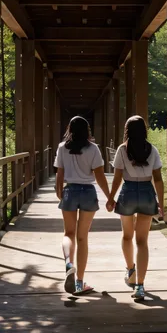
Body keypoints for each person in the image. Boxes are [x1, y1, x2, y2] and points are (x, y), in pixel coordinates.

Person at [106, 115, 165, 301]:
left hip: (128, 192)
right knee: (142, 241)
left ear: (127, 131)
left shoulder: (122, 150)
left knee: (127, 236)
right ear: (144, 130)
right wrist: (161, 203)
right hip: (147, 193)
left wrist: (110, 197)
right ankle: (140, 285)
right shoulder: (152, 150)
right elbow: (158, 179)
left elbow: (117, 177)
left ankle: (130, 269)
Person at [54, 116, 111, 295]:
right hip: (87, 192)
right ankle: (79, 282)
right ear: (87, 130)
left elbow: (59, 173)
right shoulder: (93, 149)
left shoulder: (62, 148)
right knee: (82, 237)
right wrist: (109, 196)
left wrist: (59, 191)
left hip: (70, 191)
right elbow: (100, 176)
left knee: (68, 233)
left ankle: (68, 263)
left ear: (69, 129)